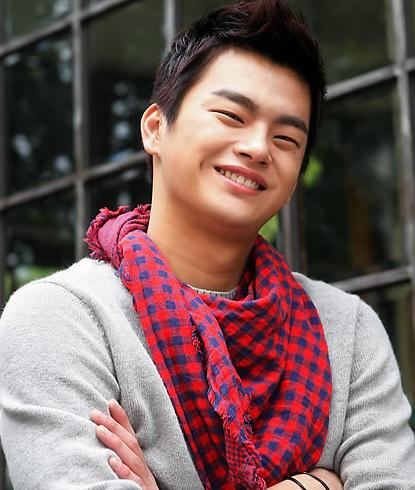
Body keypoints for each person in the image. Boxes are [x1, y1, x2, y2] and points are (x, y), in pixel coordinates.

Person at [0, 0, 414, 488]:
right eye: (231, 115)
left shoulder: (349, 331)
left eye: (286, 139)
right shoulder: (62, 318)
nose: (257, 147)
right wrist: (317, 483)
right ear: (155, 128)